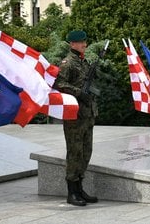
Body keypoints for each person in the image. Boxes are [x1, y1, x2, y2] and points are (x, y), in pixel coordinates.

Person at [54, 30, 98, 207]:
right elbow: (60, 84)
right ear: (72, 44)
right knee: (75, 152)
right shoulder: (67, 63)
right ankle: (71, 192)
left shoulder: (83, 61)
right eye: (80, 43)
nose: (84, 45)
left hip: (87, 114)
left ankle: (80, 188)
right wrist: (80, 93)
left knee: (86, 152)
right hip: (75, 116)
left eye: (84, 42)